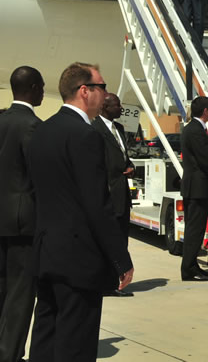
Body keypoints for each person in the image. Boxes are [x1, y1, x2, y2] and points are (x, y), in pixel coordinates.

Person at [28, 62, 133, 362]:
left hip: (47, 251)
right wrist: (120, 258)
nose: (106, 93)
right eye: (102, 86)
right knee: (76, 342)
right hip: (78, 258)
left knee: (46, 335)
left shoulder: (43, 131)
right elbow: (97, 204)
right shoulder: (85, 136)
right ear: (84, 91)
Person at [0, 66, 44, 362]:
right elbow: (40, 177)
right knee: (19, 296)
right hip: (22, 225)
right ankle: (10, 354)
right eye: (40, 87)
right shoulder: (32, 126)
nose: (43, 91)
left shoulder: (2, 120)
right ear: (30, 88)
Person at [92, 93, 135, 297]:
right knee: (107, 240)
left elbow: (123, 156)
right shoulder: (94, 129)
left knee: (120, 240)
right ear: (105, 107)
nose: (120, 108)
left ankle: (116, 280)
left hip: (122, 194)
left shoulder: (119, 129)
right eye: (116, 105)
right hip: (108, 193)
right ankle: (105, 283)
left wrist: (130, 166)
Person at [180, 97, 208, 281]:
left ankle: (193, 265)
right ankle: (188, 269)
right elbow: (206, 160)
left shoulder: (193, 128)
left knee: (194, 229)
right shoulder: (196, 131)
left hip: (194, 187)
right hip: (198, 187)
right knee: (195, 230)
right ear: (205, 111)